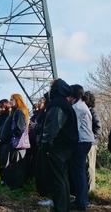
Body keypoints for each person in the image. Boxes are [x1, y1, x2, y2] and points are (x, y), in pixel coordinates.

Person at [40, 78, 78, 212]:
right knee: (62, 179)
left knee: (56, 181)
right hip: (65, 148)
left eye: (51, 87)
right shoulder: (65, 104)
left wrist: (46, 146)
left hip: (57, 148)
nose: (49, 91)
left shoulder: (57, 104)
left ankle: (60, 209)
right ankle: (64, 208)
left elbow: (52, 128)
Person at [69, 84, 95, 211]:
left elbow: (72, 126)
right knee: (77, 171)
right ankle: (81, 199)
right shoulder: (81, 106)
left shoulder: (77, 107)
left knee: (78, 172)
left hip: (82, 141)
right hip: (84, 141)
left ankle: (82, 202)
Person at [0, 93, 29, 191]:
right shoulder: (15, 112)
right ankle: (12, 186)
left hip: (18, 144)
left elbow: (19, 128)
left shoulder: (19, 112)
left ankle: (16, 187)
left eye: (12, 99)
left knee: (17, 167)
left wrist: (9, 135)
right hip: (14, 144)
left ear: (17, 101)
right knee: (12, 166)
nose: (10, 101)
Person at [24, 97, 45, 184]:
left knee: (36, 161)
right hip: (31, 140)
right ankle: (28, 178)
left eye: (41, 102)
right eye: (39, 102)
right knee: (29, 161)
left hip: (39, 142)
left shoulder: (44, 114)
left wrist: (35, 126)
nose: (39, 103)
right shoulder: (35, 115)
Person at [84, 90, 102, 192]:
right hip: (86, 142)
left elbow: (98, 127)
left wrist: (92, 138)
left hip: (91, 143)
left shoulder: (92, 112)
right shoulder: (85, 111)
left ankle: (91, 190)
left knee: (90, 167)